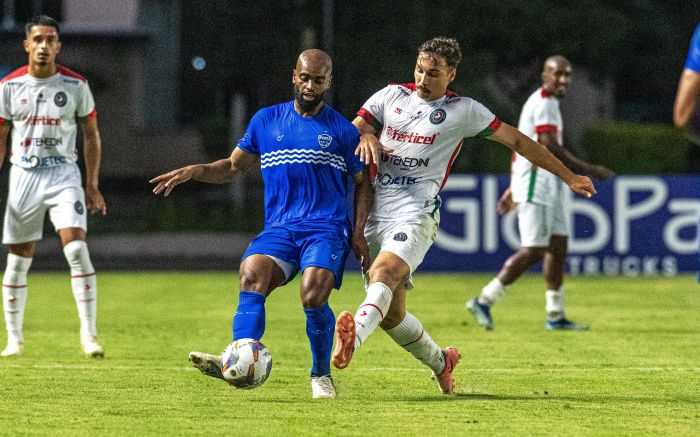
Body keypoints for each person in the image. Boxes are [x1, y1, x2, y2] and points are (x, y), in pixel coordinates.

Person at [331, 38, 597, 394]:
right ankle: (442, 361)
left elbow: (519, 142)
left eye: (434, 73)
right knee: (392, 316)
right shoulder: (390, 96)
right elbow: (352, 131)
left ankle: (351, 342)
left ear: (451, 74)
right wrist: (367, 137)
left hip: (417, 213)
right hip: (377, 213)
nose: (423, 79)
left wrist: (569, 175)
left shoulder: (464, 110)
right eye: (420, 70)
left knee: (384, 273)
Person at [150, 49, 372, 399]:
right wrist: (195, 171)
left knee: (313, 294)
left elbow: (363, 183)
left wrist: (357, 231)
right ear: (293, 76)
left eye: (319, 80)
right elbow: (234, 166)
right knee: (252, 272)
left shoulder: (343, 131)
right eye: (305, 77)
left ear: (328, 82)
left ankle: (321, 376)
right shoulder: (266, 121)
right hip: (280, 230)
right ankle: (239, 356)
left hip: (325, 228)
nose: (310, 86)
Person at [467, 56, 613, 332]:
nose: (563, 80)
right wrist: (587, 169)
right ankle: (484, 299)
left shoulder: (547, 102)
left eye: (567, 75)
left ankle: (555, 314)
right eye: (557, 74)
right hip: (537, 183)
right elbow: (548, 145)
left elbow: (524, 145)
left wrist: (512, 186)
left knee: (558, 247)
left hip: (549, 183)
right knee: (535, 249)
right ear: (545, 75)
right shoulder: (544, 102)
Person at [0, 15, 106, 358]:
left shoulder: (75, 86)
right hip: (24, 176)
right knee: (17, 263)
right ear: (27, 44)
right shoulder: (10, 87)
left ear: (58, 46)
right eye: (38, 40)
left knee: (76, 250)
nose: (44, 46)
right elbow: (1, 137)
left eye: (51, 40)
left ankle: (89, 336)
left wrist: (91, 184)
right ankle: (14, 340)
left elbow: (91, 135)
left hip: (63, 175)